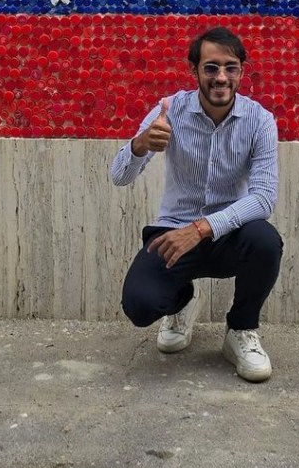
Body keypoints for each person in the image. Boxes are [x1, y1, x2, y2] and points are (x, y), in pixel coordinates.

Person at [111, 26, 282, 382]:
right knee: (139, 307)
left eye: (230, 67)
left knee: (265, 240)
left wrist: (203, 227)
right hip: (173, 234)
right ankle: (182, 302)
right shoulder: (169, 110)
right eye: (211, 67)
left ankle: (241, 331)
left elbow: (264, 197)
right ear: (195, 71)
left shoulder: (260, 121)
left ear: (241, 72)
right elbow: (118, 177)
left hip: (229, 235)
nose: (221, 77)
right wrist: (141, 144)